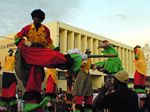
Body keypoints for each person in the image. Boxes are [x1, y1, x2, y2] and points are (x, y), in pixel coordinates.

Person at [14, 9, 67, 112]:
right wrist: (25, 42)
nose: (36, 20)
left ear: (41, 20)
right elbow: (17, 37)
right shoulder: (27, 28)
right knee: (30, 75)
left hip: (40, 55)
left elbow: (49, 43)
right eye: (35, 18)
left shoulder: (46, 30)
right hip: (29, 54)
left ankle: (36, 102)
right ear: (33, 18)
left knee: (38, 74)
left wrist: (55, 50)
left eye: (39, 18)